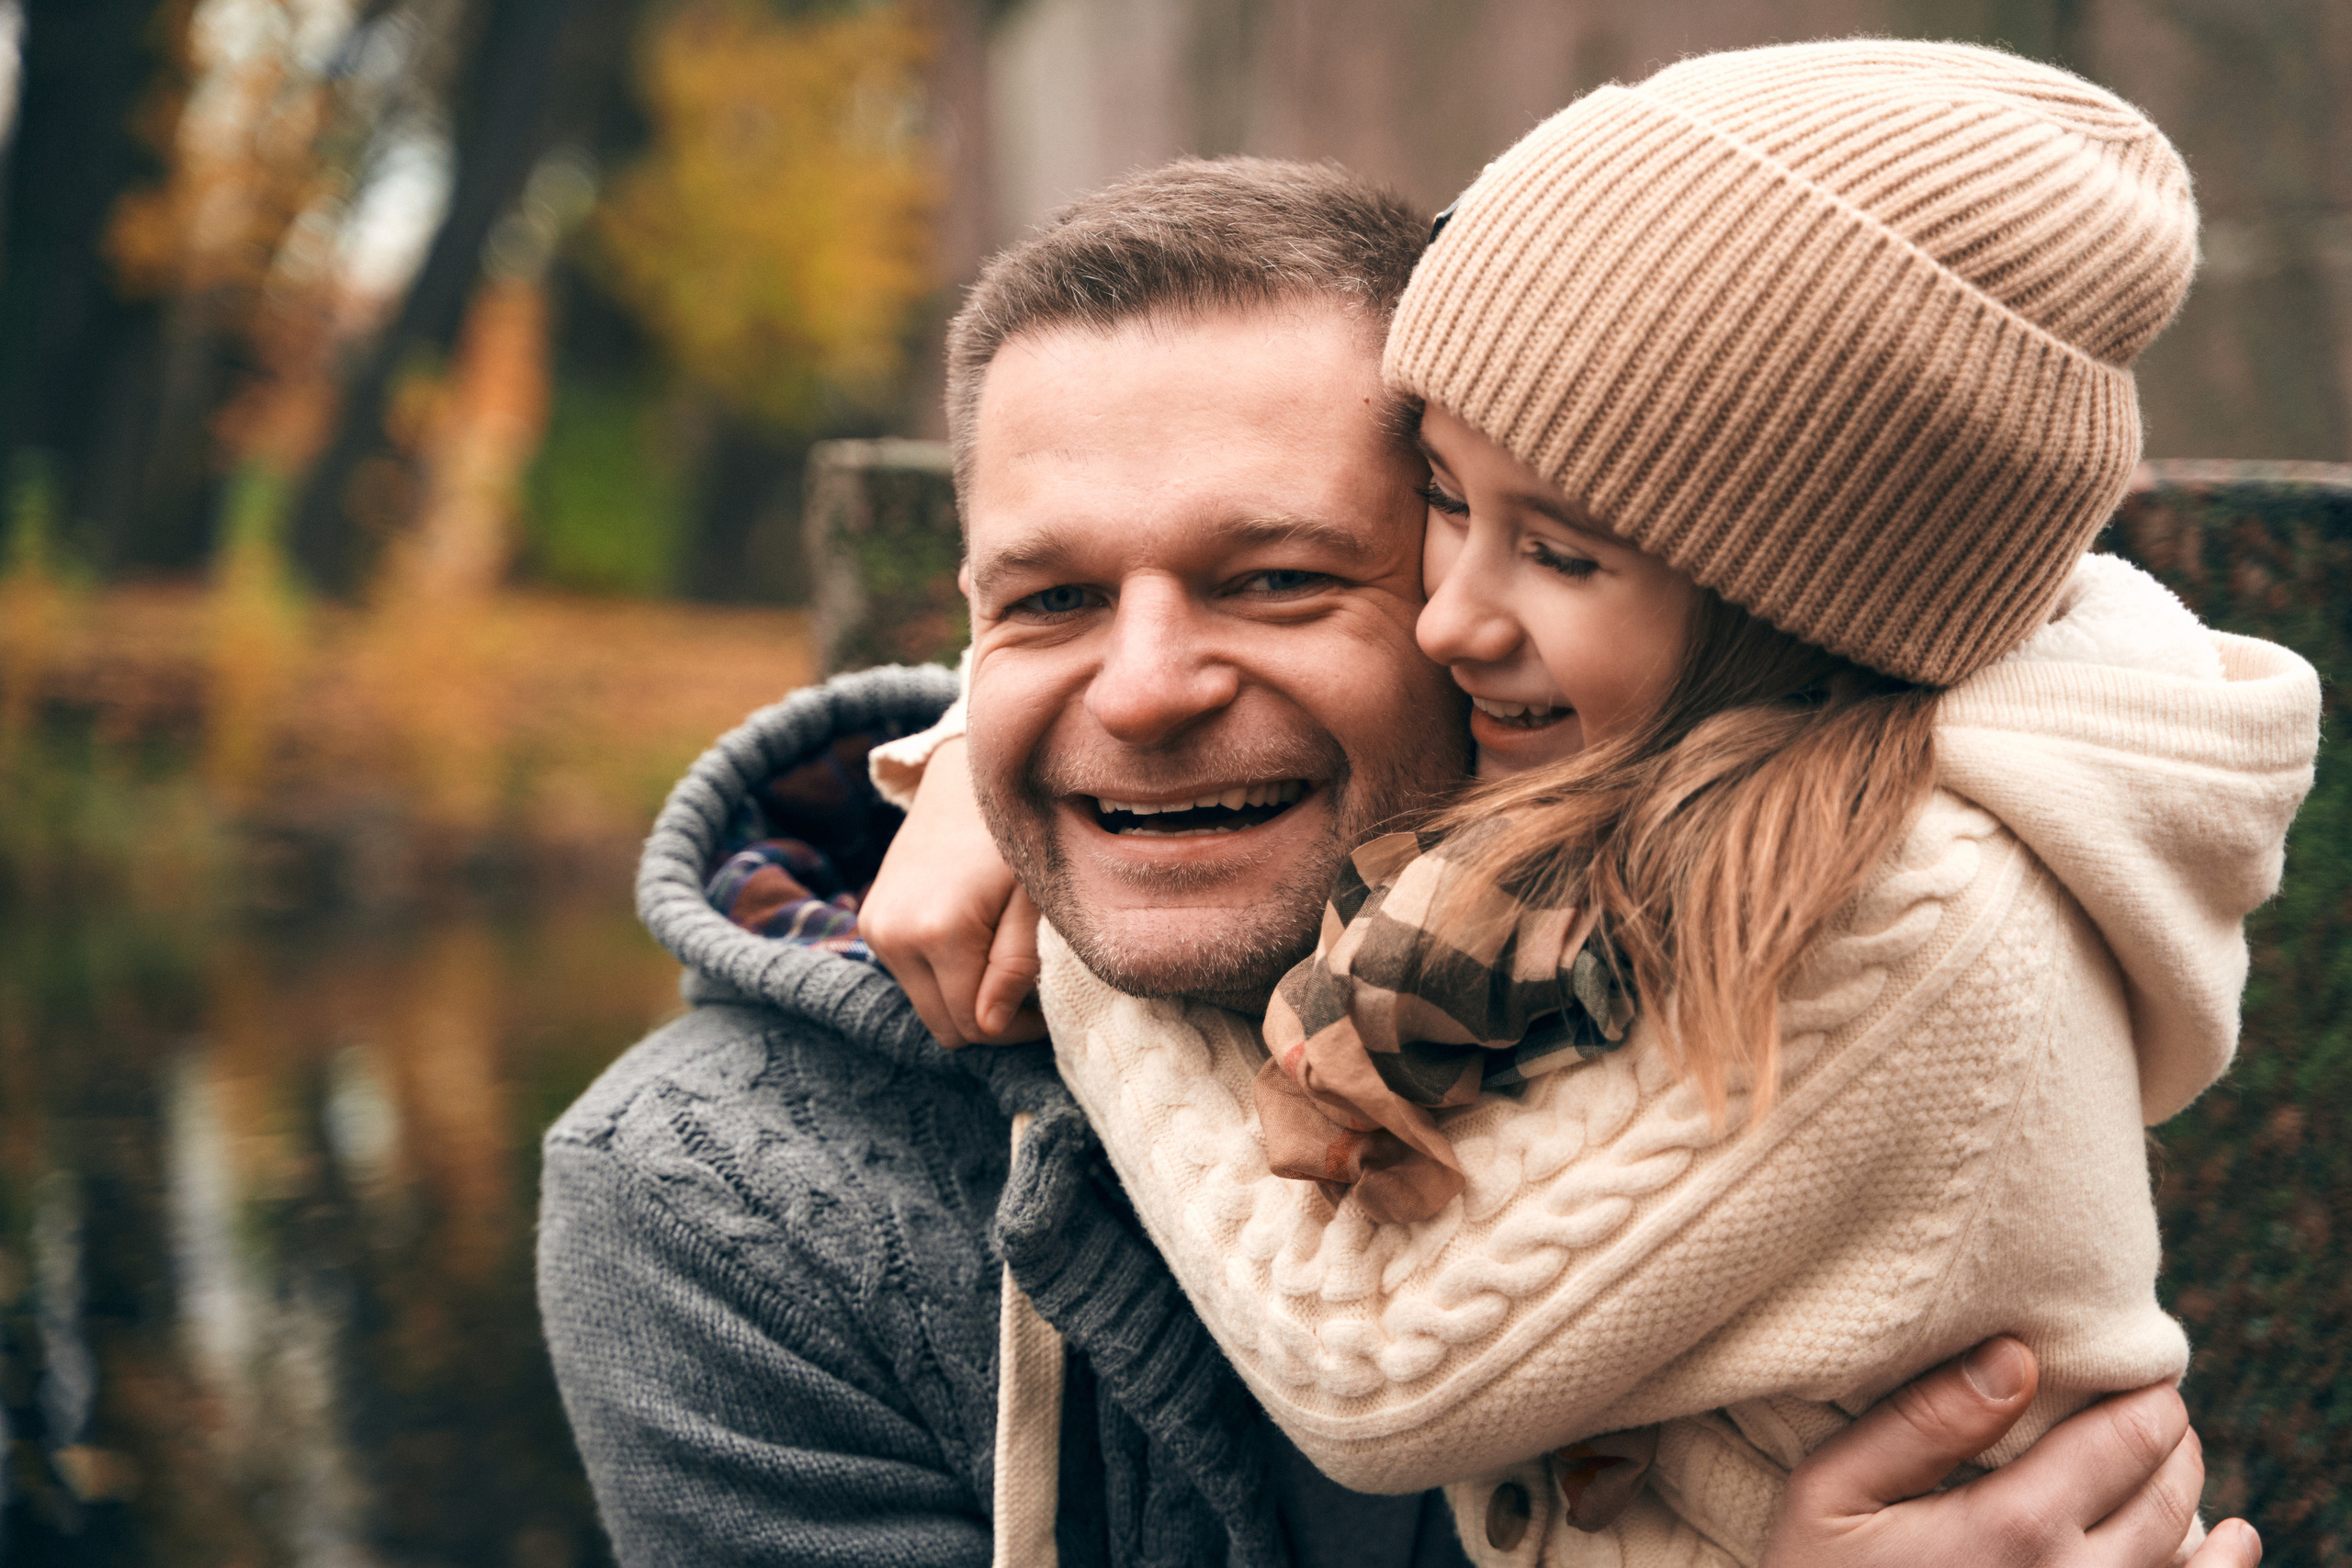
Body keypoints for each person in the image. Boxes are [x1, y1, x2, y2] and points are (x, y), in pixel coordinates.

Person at [537, 153, 2261, 1568]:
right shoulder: (726, 1198)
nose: (1140, 693)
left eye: (1281, 580)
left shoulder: (1737, 918)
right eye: (1050, 602)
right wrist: (971, 765)